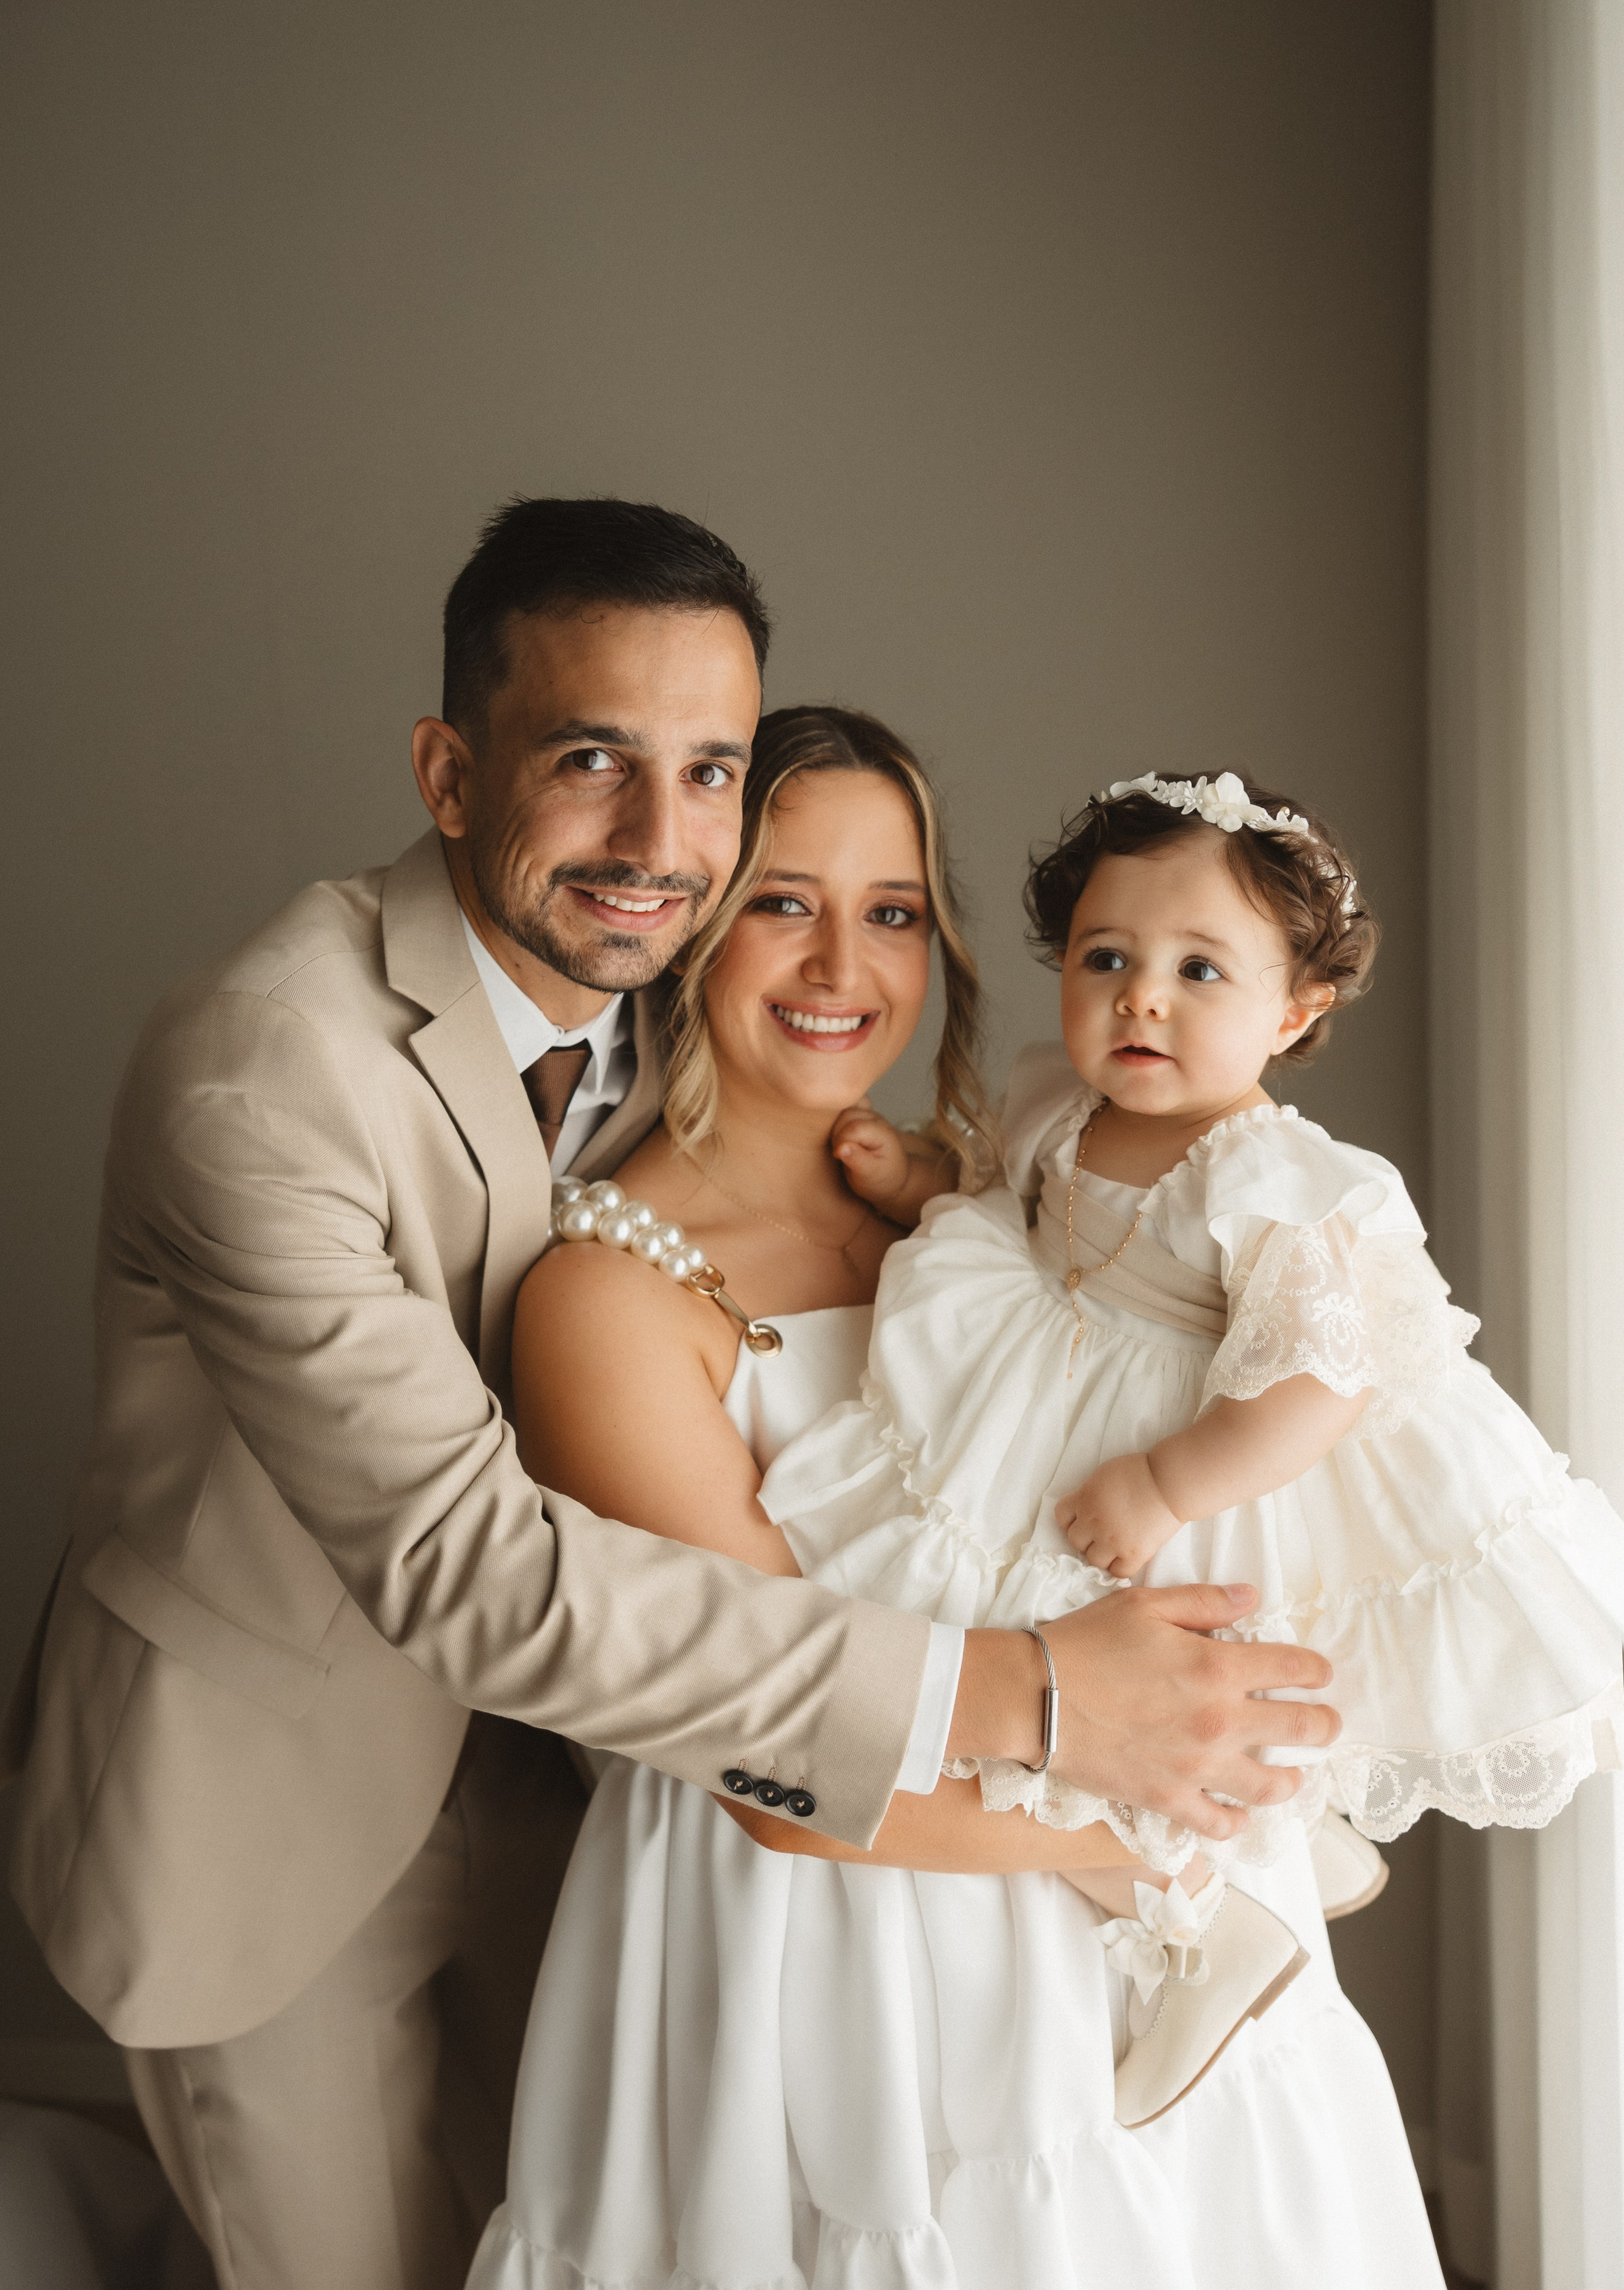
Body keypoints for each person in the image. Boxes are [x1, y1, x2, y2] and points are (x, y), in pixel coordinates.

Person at [1, 511, 1335, 2290]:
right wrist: (1036, 1700)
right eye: (589, 760)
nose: (657, 839)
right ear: (448, 771)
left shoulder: (692, 1016)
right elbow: (473, 1564)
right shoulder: (264, 1073)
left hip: (586, 1781)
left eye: (708, 772)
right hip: (284, 1790)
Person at [468, 711, 1441, 2290]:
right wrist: (1157, 1812)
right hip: (837, 1940)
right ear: (692, 915)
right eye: (782, 901)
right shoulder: (609, 1296)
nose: (840, 963)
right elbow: (760, 1757)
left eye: (893, 910)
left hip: (1148, 1912)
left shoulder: (1005, 1206)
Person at [763, 765, 1624, 2128]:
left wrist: (1168, 1484)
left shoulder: (1271, 1175)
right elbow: (1021, 1199)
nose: (1140, 998)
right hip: (1040, 1398)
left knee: (1117, 1691)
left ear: (1294, 1011)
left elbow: (1321, 1378)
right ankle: (1266, 1848)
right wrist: (920, 1178)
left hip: (1189, 1458)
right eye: (1105, 957)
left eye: (1198, 970)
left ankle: (1205, 1915)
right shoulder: (1062, 1101)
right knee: (986, 1645)